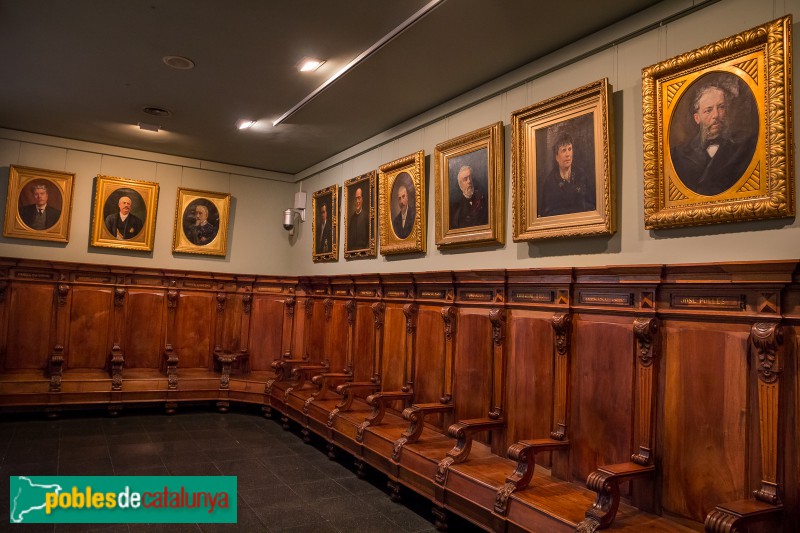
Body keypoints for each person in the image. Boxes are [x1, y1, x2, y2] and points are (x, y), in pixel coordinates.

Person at [670, 83, 757, 196]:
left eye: (721, 107)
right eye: (708, 110)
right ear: (697, 118)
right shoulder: (678, 154)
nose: (716, 115)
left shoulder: (745, 147)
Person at [537, 133, 595, 217]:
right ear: (556, 157)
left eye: (570, 149)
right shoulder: (550, 182)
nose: (568, 154)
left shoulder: (581, 176)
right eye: (564, 150)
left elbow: (592, 206)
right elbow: (546, 214)